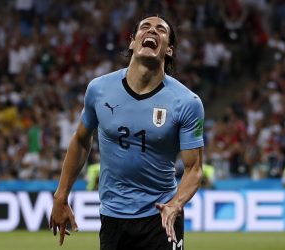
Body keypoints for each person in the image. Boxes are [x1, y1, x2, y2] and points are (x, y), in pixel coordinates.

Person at [50, 14, 204, 250]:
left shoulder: (187, 102)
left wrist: (176, 205)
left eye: (161, 30)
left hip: (161, 217)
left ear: (169, 50)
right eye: (145, 27)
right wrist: (61, 195)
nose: (152, 31)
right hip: (113, 218)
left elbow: (194, 168)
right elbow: (81, 140)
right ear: (133, 42)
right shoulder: (99, 90)